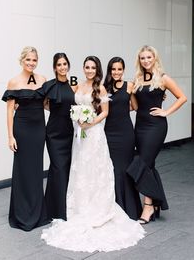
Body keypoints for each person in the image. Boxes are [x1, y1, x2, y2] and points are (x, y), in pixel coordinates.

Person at [41, 56, 145, 252]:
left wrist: (90, 123)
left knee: (96, 170)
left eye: (92, 68)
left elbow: (105, 112)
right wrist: (27, 103)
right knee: (80, 169)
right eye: (86, 67)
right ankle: (79, 206)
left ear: (97, 70)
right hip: (79, 136)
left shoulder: (101, 88)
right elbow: (60, 101)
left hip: (94, 134)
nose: (89, 70)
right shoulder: (76, 87)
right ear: (83, 68)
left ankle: (98, 208)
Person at [127, 45, 187, 224]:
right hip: (140, 125)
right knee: (149, 164)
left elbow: (182, 97)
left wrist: (166, 112)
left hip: (156, 126)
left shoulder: (163, 78)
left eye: (149, 57)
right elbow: (135, 105)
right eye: (142, 58)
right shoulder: (137, 79)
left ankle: (148, 206)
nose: (146, 61)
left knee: (142, 164)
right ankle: (154, 203)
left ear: (155, 58)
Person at [1, 46, 48, 231]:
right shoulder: (13, 82)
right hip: (22, 129)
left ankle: (37, 212)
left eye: (34, 60)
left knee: (36, 170)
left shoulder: (43, 79)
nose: (31, 63)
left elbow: (46, 104)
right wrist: (10, 136)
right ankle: (22, 214)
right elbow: (9, 110)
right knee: (22, 170)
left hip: (39, 130)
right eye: (28, 59)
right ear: (22, 60)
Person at [103, 57, 142, 220]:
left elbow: (136, 106)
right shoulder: (105, 87)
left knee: (125, 169)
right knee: (112, 169)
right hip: (109, 132)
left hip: (125, 133)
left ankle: (130, 208)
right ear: (110, 71)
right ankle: (114, 206)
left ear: (123, 70)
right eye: (113, 69)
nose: (116, 72)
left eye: (119, 69)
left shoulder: (129, 86)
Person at [41, 53, 76, 221]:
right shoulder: (48, 85)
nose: (62, 67)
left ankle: (61, 207)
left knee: (67, 168)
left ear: (68, 66)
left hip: (70, 132)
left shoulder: (74, 83)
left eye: (65, 64)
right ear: (55, 67)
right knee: (58, 168)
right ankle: (57, 210)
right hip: (54, 133)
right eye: (59, 65)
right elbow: (41, 103)